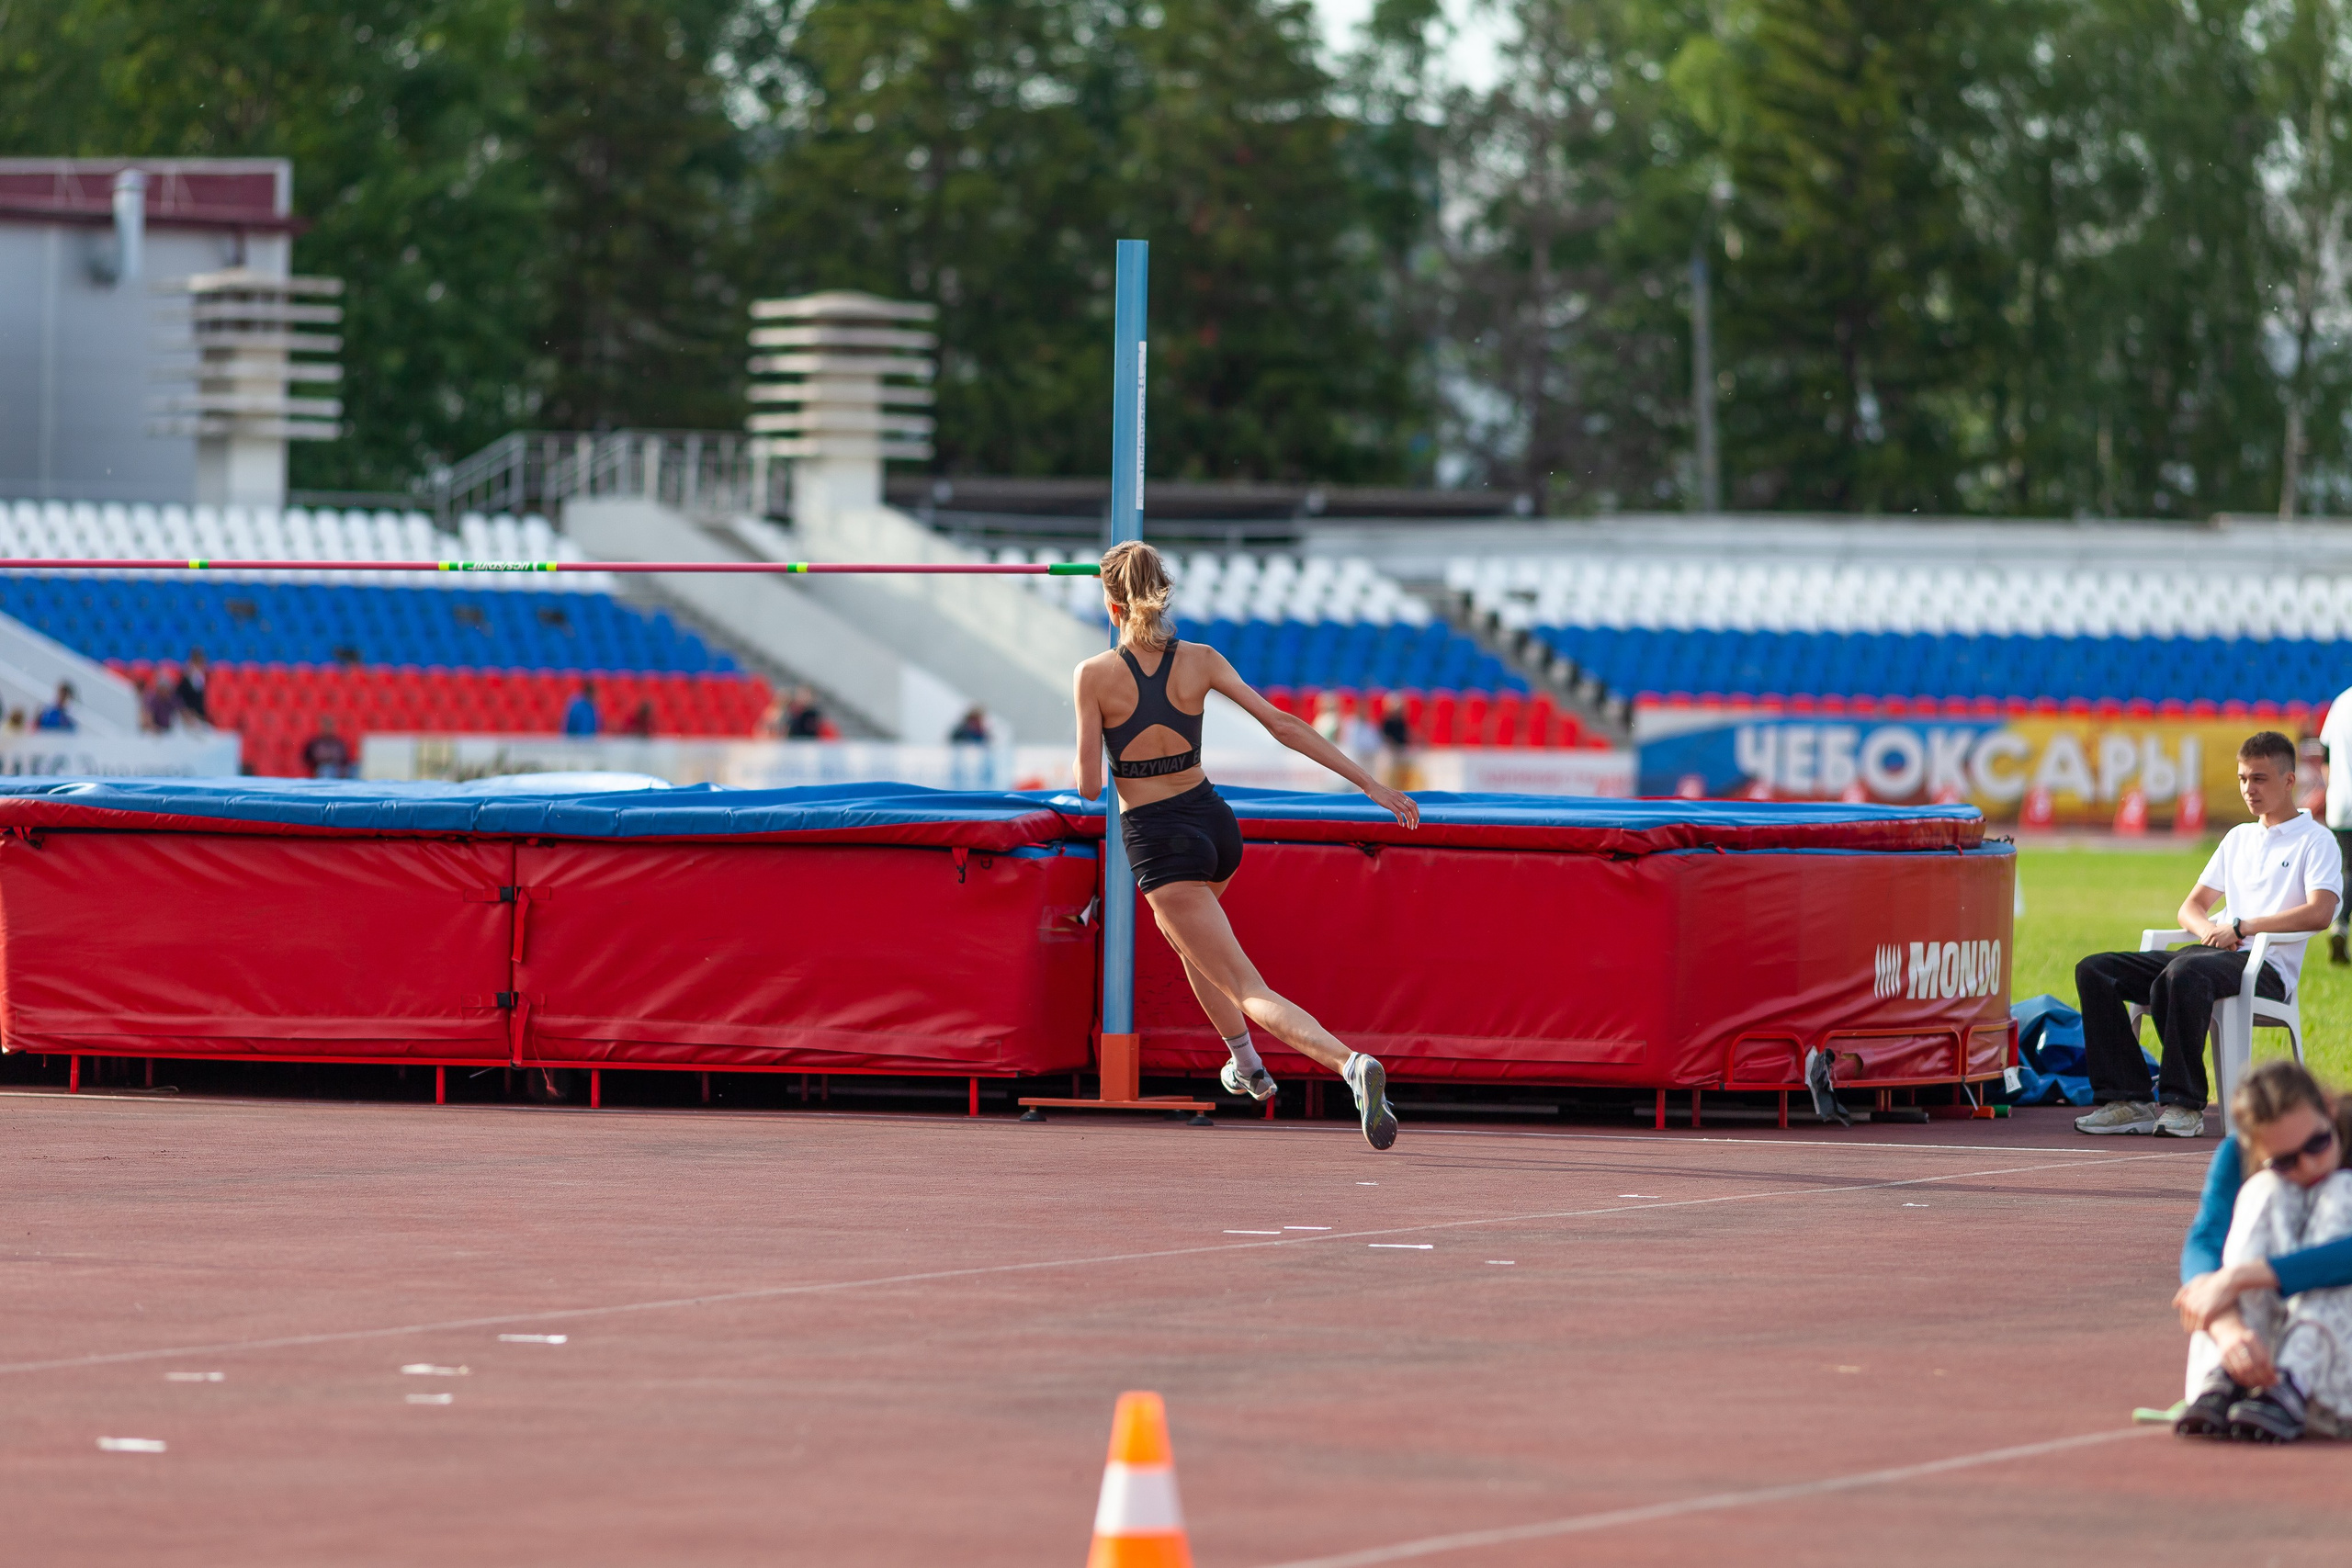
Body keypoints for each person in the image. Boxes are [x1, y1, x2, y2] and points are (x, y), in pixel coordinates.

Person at [1074, 540, 1421, 1151]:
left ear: (1111, 606)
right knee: (1194, 944)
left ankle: (1349, 1064)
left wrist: (1120, 743)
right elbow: (1282, 724)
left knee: (1244, 982)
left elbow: (1084, 787)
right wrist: (1369, 783)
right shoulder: (1202, 659)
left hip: (1160, 841)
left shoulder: (1093, 675)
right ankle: (1245, 1065)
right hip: (1215, 826)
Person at [2073, 732, 2340, 1138]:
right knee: (2095, 970)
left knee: (2183, 973)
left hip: (2264, 966)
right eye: (2243, 779)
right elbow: (2190, 908)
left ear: (2289, 781)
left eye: (2260, 779)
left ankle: (2184, 1105)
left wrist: (2244, 928)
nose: (2249, 789)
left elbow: (2321, 912)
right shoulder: (2238, 838)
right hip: (2209, 955)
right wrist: (2211, 930)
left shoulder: (2317, 841)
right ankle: (2128, 1099)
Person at [2171, 1060, 2352, 1440]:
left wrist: (2240, 1276)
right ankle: (2228, 1376)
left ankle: (2295, 1379)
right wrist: (2226, 1328)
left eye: (2318, 1143)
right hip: (2253, 1359)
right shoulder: (2237, 1153)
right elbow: (2204, 1240)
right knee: (2263, 1189)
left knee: (2341, 1190)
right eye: (2285, 1160)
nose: (2309, 1166)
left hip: (2333, 1378)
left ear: (2328, 1109)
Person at [2320, 686, 2352, 963]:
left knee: (2348, 868)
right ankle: (2341, 922)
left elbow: (2325, 757)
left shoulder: (2341, 701)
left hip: (2341, 802)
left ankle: (2340, 924)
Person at [301, 715, 354, 779]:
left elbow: (346, 760)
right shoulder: (315, 743)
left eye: (330, 725)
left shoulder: (339, 743)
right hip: (321, 770)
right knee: (326, 770)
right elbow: (306, 759)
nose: (328, 728)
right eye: (326, 725)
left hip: (338, 770)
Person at [175, 648, 211, 726]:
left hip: (203, 717)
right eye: (197, 661)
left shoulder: (208, 677)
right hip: (189, 717)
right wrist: (187, 712)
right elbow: (179, 697)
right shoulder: (185, 679)